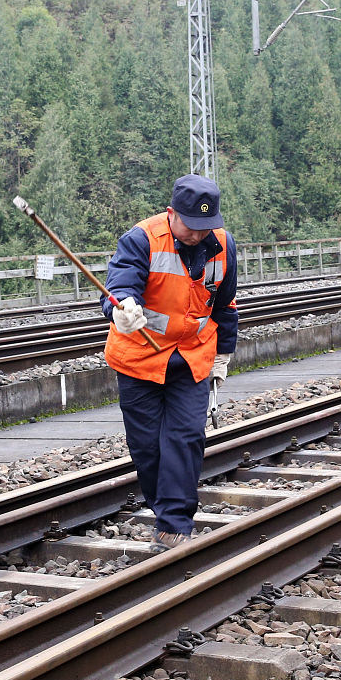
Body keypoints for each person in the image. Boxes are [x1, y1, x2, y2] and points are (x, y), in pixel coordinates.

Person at [101, 173, 238, 552]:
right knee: (147, 447)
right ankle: (165, 507)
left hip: (192, 358)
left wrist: (224, 355)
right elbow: (119, 284)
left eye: (205, 227)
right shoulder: (141, 238)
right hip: (139, 360)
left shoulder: (224, 245)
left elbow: (225, 305)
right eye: (191, 226)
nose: (197, 234)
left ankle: (174, 524)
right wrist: (121, 309)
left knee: (186, 438)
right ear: (171, 213)